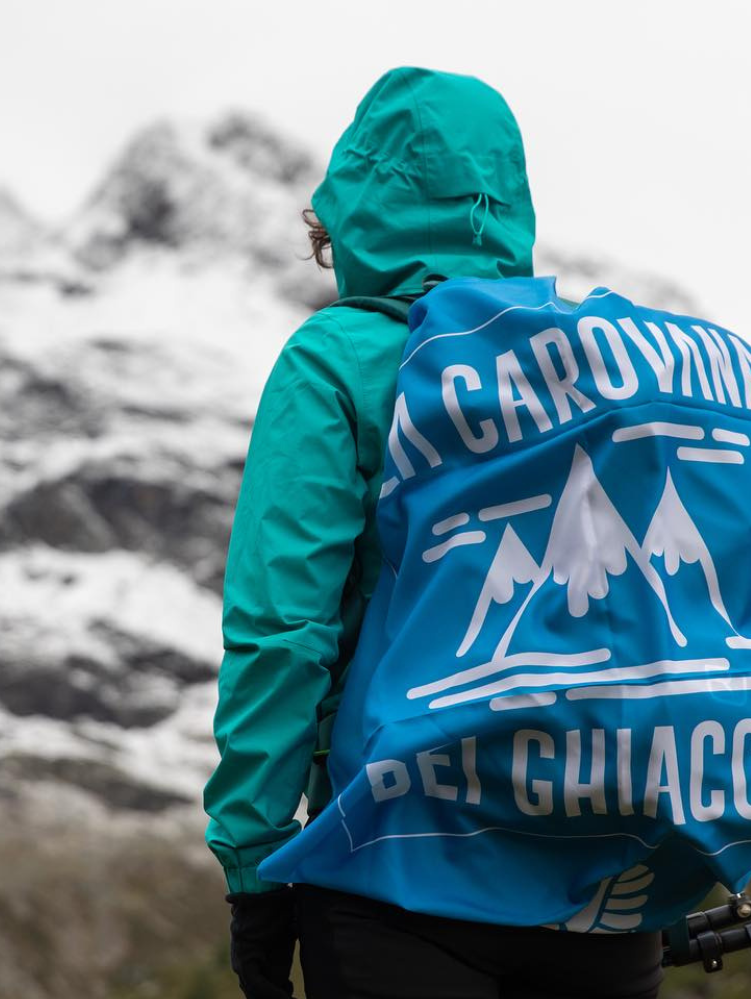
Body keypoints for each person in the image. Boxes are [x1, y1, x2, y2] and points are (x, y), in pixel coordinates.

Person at [203, 67, 678, 999]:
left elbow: (283, 632)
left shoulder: (336, 361)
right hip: (602, 884)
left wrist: (255, 866)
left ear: (357, 216)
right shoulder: (588, 368)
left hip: (399, 877)